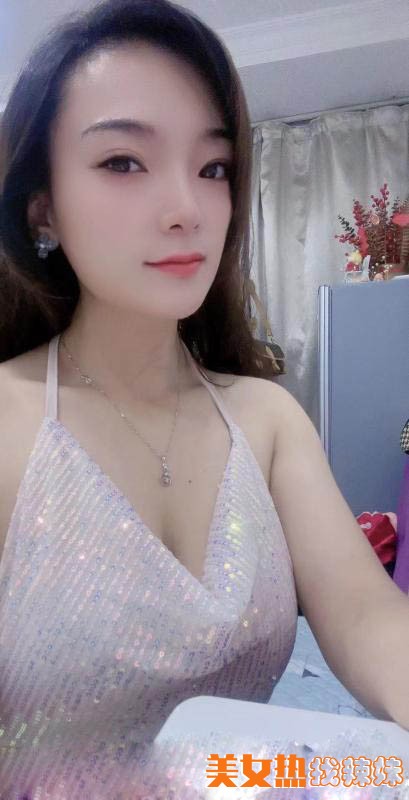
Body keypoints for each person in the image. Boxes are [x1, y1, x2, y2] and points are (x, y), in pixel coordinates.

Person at [0, 0, 408, 797]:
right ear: (42, 205)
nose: (187, 208)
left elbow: (367, 615)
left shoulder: (267, 419)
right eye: (123, 162)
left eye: (213, 168)